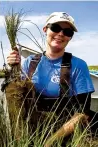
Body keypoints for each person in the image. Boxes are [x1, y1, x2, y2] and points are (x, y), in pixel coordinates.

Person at [7, 12, 98, 146]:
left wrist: (50, 143)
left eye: (67, 32)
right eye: (55, 28)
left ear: (70, 38)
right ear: (45, 29)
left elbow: (82, 113)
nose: (61, 34)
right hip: (36, 127)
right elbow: (19, 100)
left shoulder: (78, 65)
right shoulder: (29, 63)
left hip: (67, 129)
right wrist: (13, 68)